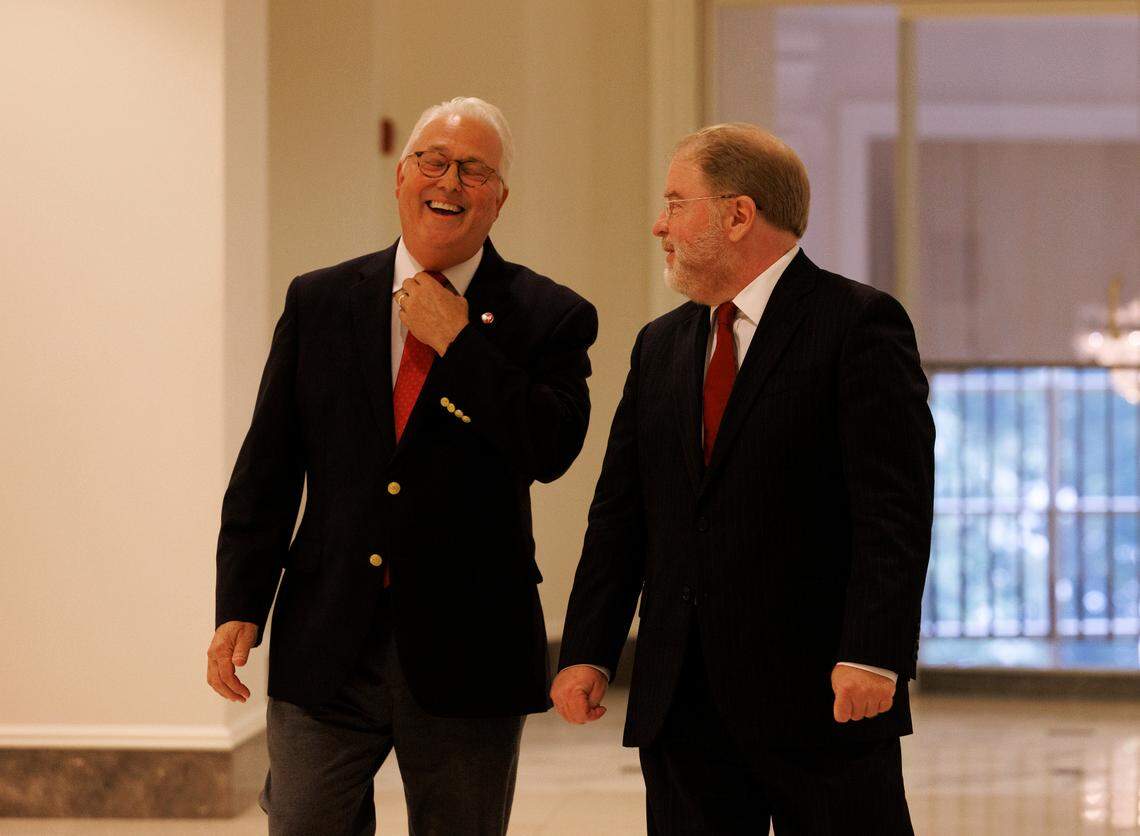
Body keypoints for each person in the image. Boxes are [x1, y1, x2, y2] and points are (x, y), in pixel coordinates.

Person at [206, 96, 597, 836]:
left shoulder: (549, 315)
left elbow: (551, 450)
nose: (449, 182)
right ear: (401, 174)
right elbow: (268, 466)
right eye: (434, 161)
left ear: (500, 198)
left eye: (474, 170)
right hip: (325, 640)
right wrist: (239, 603)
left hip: (469, 649)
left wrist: (462, 347)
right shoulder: (320, 299)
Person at [551, 123, 934, 835]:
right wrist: (587, 650)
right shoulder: (659, 346)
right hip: (682, 702)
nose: (657, 224)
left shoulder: (858, 324)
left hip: (821, 698)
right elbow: (621, 514)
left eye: (675, 202)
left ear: (738, 215)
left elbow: (895, 512)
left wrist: (874, 654)